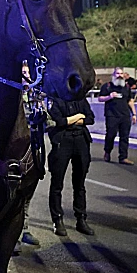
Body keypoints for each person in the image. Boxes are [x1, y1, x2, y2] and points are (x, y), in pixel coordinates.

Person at [47, 96, 96, 237]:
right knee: (57, 184)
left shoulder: (80, 99)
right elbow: (59, 121)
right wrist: (79, 116)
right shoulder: (56, 100)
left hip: (81, 140)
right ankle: (57, 220)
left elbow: (90, 118)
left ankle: (81, 219)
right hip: (63, 141)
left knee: (80, 184)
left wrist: (71, 120)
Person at [99, 67, 137, 165]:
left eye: (121, 74)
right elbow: (100, 98)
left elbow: (130, 100)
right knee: (111, 135)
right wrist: (109, 96)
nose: (119, 76)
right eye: (117, 74)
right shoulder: (107, 86)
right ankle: (107, 151)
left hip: (125, 115)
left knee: (124, 137)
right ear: (113, 75)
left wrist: (134, 114)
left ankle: (123, 157)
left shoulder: (126, 87)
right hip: (112, 115)